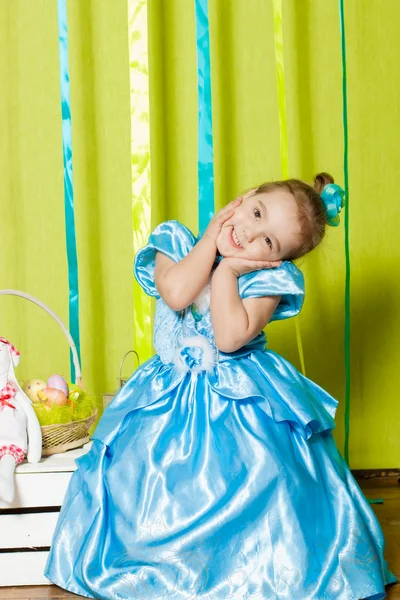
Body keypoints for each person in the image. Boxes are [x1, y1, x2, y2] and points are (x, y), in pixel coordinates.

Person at [45, 173, 397, 599]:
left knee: (265, 477)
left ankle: (245, 568)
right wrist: (213, 236)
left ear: (277, 260)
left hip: (238, 395)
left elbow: (230, 337)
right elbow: (176, 293)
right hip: (165, 395)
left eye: (268, 242)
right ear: (244, 197)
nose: (249, 233)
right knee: (144, 479)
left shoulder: (267, 281)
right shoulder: (176, 241)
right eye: (255, 212)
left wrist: (229, 270)